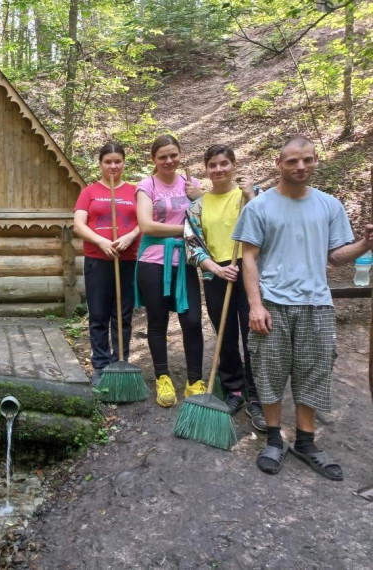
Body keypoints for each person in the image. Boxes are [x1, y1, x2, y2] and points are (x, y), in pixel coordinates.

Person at [233, 135, 373, 478]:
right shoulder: (259, 207)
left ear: (314, 161)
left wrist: (366, 243)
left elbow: (336, 256)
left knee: (314, 372)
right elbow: (248, 259)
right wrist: (255, 305)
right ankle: (275, 439)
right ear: (279, 164)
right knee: (269, 371)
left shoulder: (329, 205)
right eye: (293, 161)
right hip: (272, 303)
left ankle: (307, 441)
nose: (301, 166)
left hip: (317, 304)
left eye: (307, 160)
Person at [183, 144, 266, 431]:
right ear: (206, 169)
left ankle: (257, 396)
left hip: (249, 270)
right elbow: (192, 244)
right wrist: (216, 267)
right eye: (213, 165)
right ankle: (235, 390)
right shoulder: (197, 206)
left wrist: (253, 197)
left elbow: (268, 227)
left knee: (253, 335)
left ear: (233, 165)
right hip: (216, 274)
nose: (218, 169)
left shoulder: (249, 197)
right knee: (225, 335)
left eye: (223, 164)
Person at [135, 134, 204, 408]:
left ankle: (195, 381)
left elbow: (205, 218)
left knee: (192, 322)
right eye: (162, 156)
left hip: (186, 261)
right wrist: (186, 230)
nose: (168, 160)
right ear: (154, 159)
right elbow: (146, 225)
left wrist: (200, 199)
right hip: (153, 262)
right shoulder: (146, 186)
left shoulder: (191, 184)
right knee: (157, 322)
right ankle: (162, 376)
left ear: (179, 155)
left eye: (173, 154)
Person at [73, 142, 140, 386]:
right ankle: (100, 365)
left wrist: (130, 236)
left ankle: (119, 361)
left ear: (124, 162)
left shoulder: (135, 191)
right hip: (97, 260)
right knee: (99, 313)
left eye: (117, 161)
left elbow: (145, 221)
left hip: (127, 259)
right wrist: (102, 241)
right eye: (107, 161)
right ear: (100, 164)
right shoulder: (89, 192)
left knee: (122, 314)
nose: (113, 166)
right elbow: (79, 225)